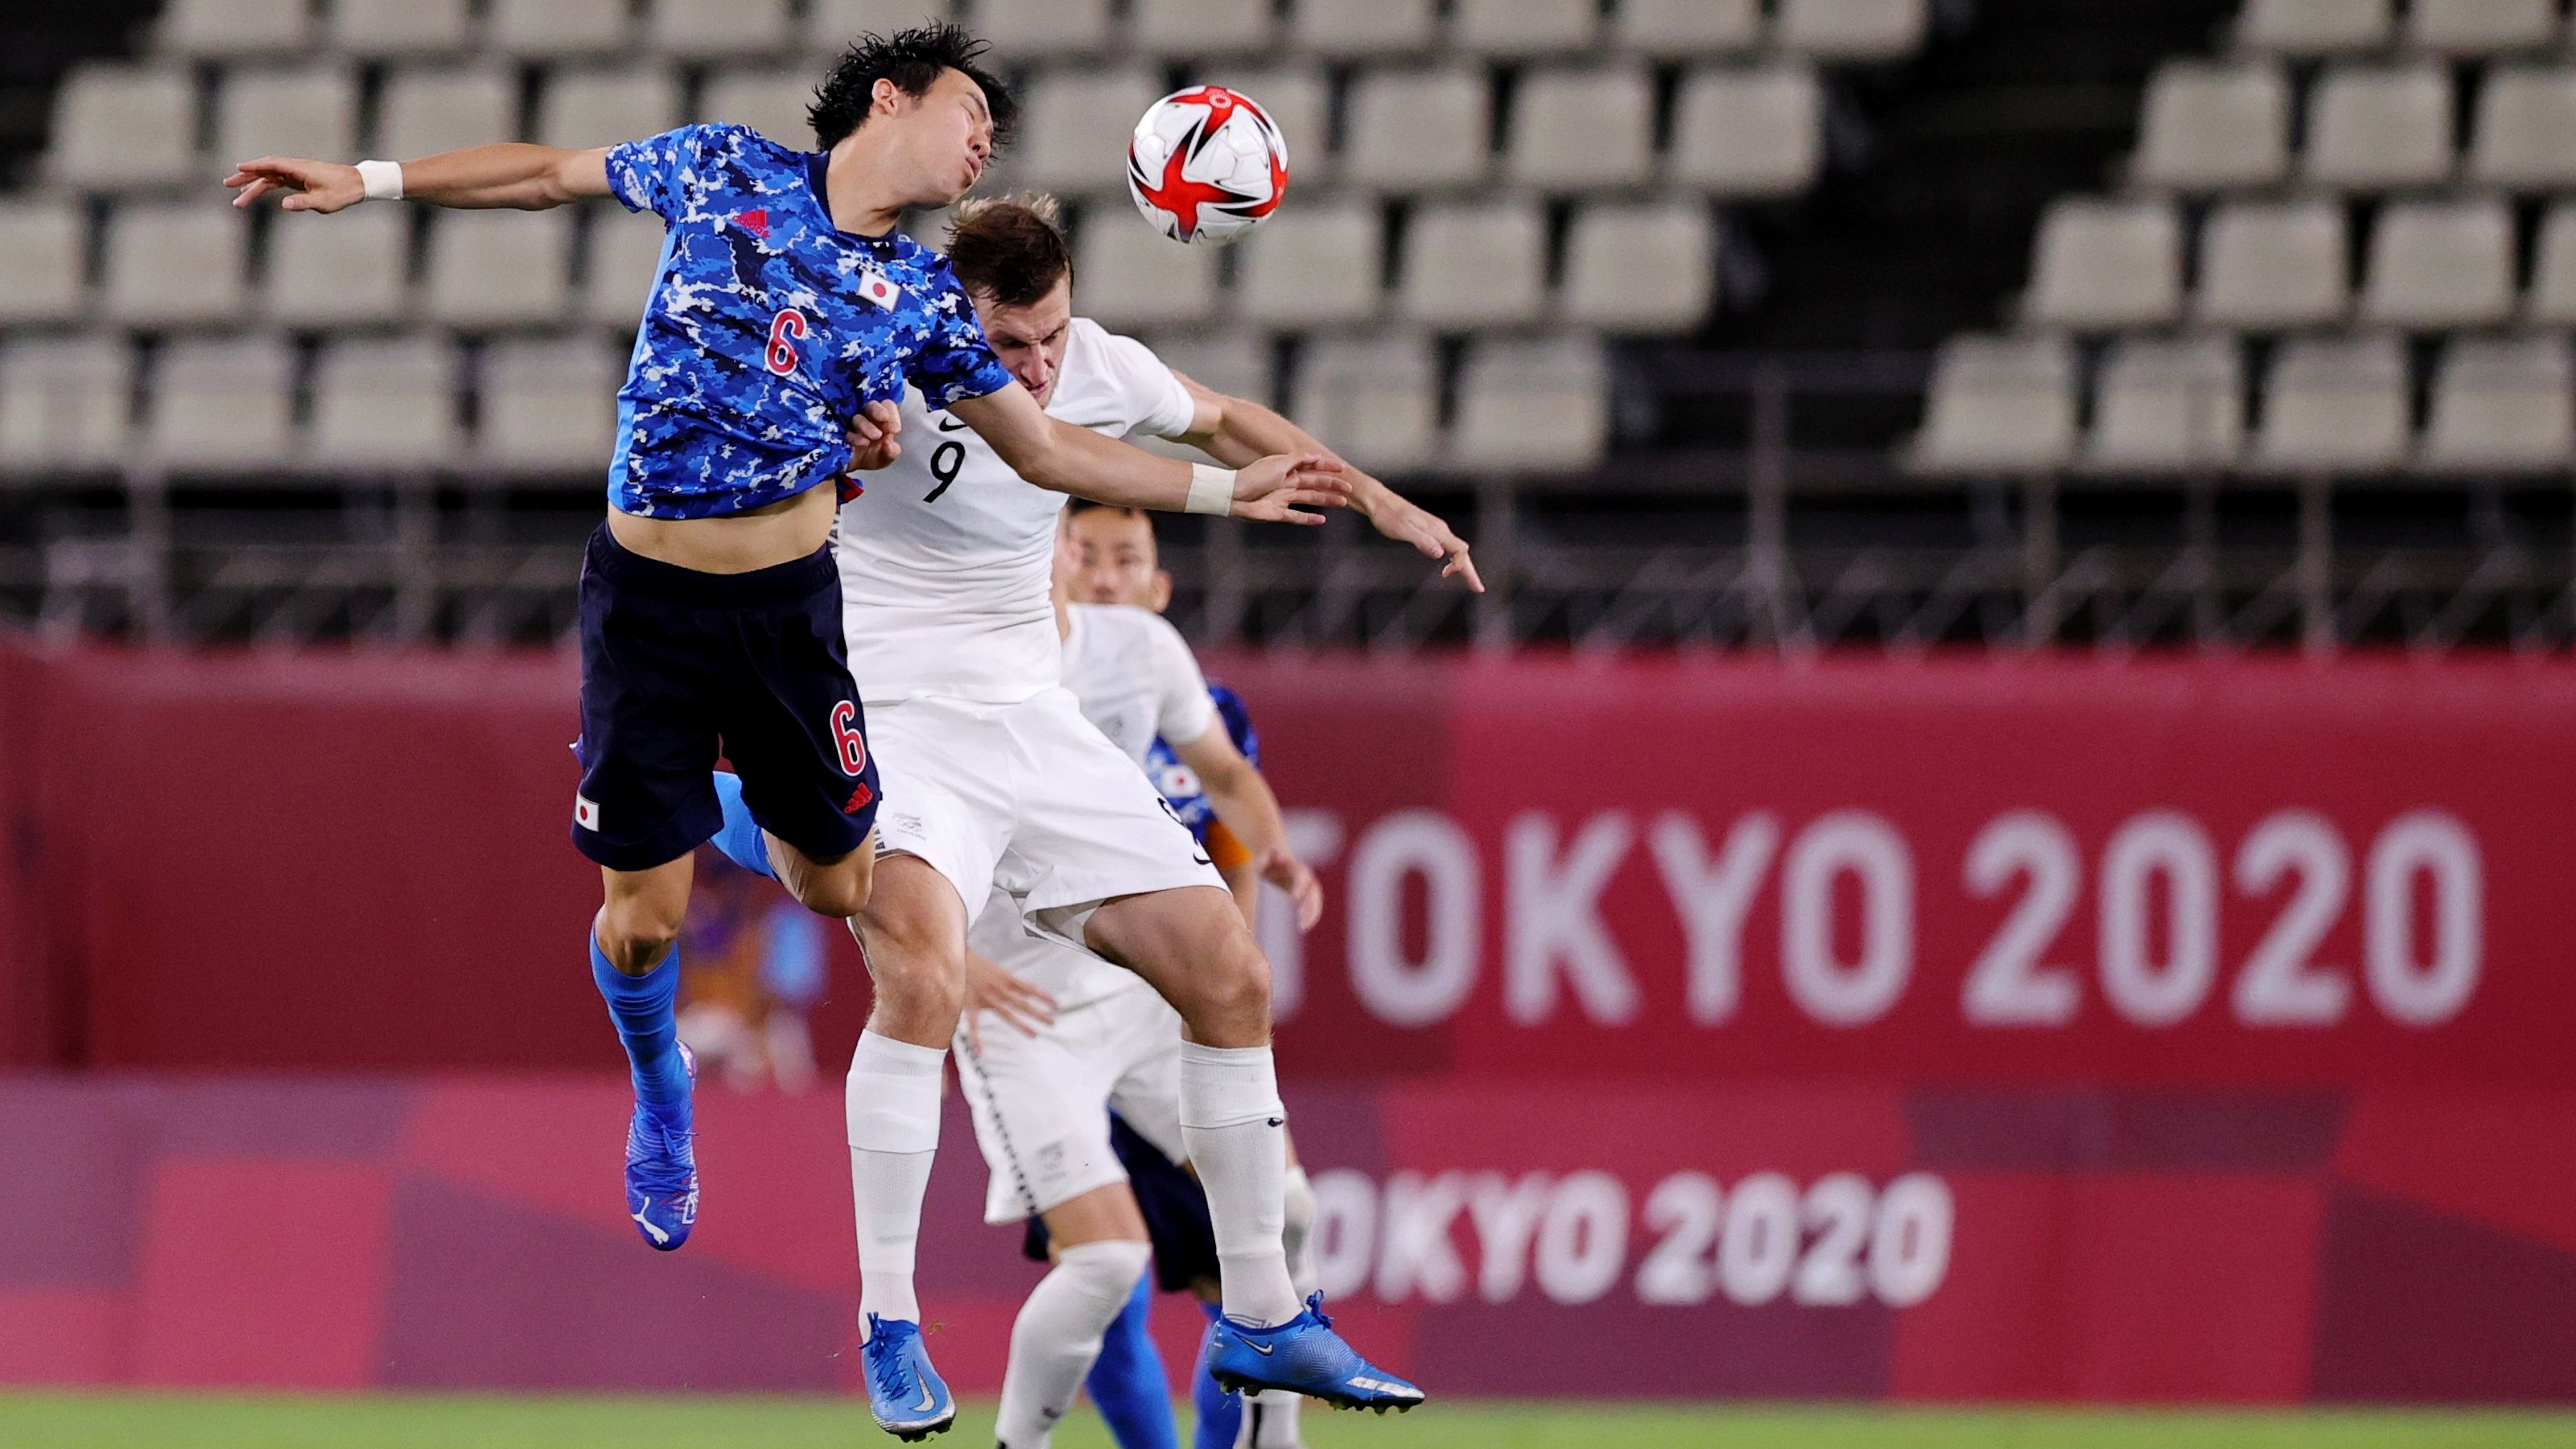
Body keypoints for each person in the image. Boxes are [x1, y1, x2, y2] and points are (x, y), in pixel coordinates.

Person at [225, 27, 1348, 1439]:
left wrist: (1209, 492)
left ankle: (748, 816)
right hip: (645, 603)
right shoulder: (723, 172)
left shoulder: (924, 303)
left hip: (796, 611)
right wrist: (374, 178)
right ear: (892, 96)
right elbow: (544, 176)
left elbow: (1051, 451)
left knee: (837, 883)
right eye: (970, 118)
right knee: (640, 923)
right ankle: (660, 1083)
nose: (979, 146)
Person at [695, 191, 1474, 1438]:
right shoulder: (873, 352)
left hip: (1031, 716)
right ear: (958, 315)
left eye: (1050, 336)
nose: (1039, 367)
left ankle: (1264, 1311)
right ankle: (888, 1317)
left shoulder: (1096, 366)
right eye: (1013, 346)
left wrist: (1382, 501)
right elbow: (737, 482)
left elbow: (1225, 422)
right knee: (921, 979)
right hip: (897, 711)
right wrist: (826, 455)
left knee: (1228, 972)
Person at [950, 505, 1324, 1449]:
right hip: (1030, 1009)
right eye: (1084, 552)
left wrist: (1268, 865)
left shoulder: (1152, 661)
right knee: (1106, 1266)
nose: (1100, 573)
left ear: (1156, 584)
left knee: (1284, 1214)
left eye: (1128, 557)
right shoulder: (958, 680)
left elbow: (1231, 790)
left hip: (1149, 998)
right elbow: (872, 854)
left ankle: (1269, 1442)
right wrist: (948, 964)